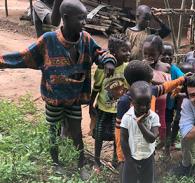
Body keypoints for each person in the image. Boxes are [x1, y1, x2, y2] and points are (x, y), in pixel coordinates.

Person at [0, 0, 116, 177]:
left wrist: (108, 61)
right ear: (66, 18)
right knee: (53, 131)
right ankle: (55, 162)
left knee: (77, 132)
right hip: (54, 99)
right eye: (80, 19)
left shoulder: (85, 39)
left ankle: (80, 164)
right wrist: (2, 61)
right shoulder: (48, 40)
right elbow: (24, 56)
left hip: (75, 98)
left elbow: (100, 53)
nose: (84, 23)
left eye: (85, 18)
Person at [114, 60, 187, 182]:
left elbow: (166, 87)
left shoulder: (151, 91)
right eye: (150, 79)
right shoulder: (124, 101)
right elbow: (119, 131)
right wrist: (122, 156)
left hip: (146, 146)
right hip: (130, 150)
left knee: (147, 175)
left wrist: (182, 79)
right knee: (127, 175)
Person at [89, 34, 131, 173]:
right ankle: (96, 160)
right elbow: (96, 88)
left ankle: (116, 160)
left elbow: (129, 89)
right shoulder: (102, 70)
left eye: (129, 50)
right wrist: (90, 106)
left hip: (118, 110)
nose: (128, 53)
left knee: (116, 135)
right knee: (99, 134)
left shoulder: (127, 68)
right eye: (124, 51)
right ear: (113, 52)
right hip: (103, 108)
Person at [120, 81, 160, 183]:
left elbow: (152, 139)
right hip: (131, 158)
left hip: (148, 158)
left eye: (147, 104)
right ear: (132, 102)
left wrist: (140, 124)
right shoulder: (127, 117)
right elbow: (123, 140)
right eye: (139, 104)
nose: (143, 107)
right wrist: (129, 161)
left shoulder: (154, 117)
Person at [159, 42, 185, 156]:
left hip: (168, 105)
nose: (167, 57)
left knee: (168, 126)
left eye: (170, 55)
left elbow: (184, 78)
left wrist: (177, 90)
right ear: (159, 54)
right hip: (155, 104)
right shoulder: (155, 67)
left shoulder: (174, 69)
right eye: (164, 54)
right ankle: (158, 144)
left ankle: (167, 150)